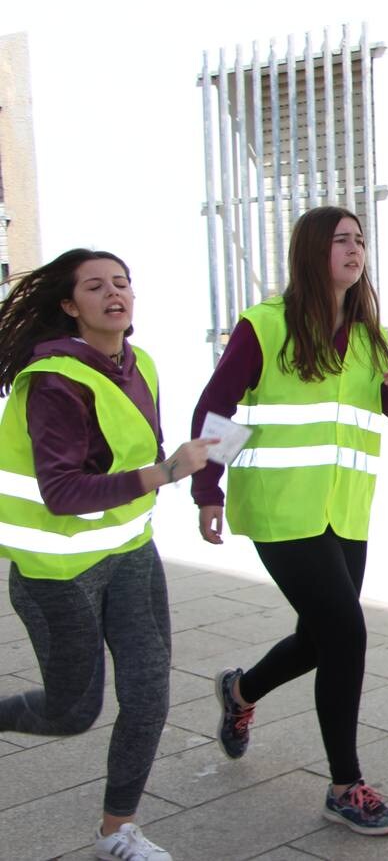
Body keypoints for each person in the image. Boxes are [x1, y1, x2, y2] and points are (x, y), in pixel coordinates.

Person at [190, 206, 388, 836]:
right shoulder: (266, 326)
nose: (355, 249)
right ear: (313, 252)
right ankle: (345, 786)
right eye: (341, 240)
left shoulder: (372, 335)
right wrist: (207, 488)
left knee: (321, 638)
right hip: (280, 509)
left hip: (345, 512)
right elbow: (218, 405)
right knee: (346, 634)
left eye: (360, 240)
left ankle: (240, 692)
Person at [0, 249, 216, 861]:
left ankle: (115, 830)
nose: (114, 293)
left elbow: (123, 460)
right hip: (59, 575)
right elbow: (62, 491)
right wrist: (167, 472)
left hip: (130, 555)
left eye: (122, 283)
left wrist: (177, 469)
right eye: (95, 286)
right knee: (72, 712)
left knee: (149, 693)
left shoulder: (138, 362)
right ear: (70, 306)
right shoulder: (54, 380)